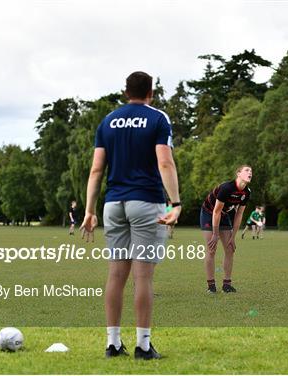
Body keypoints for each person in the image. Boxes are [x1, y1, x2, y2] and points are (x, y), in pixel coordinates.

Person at [79, 71, 181, 360]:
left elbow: (96, 169)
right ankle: (143, 346)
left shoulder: (107, 121)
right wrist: (176, 202)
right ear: (150, 92)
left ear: (126, 92)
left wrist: (89, 210)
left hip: (113, 204)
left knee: (115, 274)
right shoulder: (158, 118)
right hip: (146, 202)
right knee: (143, 276)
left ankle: (112, 344)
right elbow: (165, 161)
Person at [201, 165, 252, 293]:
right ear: (238, 173)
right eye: (247, 170)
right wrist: (215, 234)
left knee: (230, 248)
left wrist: (233, 237)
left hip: (223, 215)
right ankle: (211, 286)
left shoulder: (247, 192)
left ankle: (227, 285)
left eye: (251, 171)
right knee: (211, 249)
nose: (250, 172)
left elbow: (239, 215)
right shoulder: (226, 187)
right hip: (209, 213)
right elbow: (216, 212)